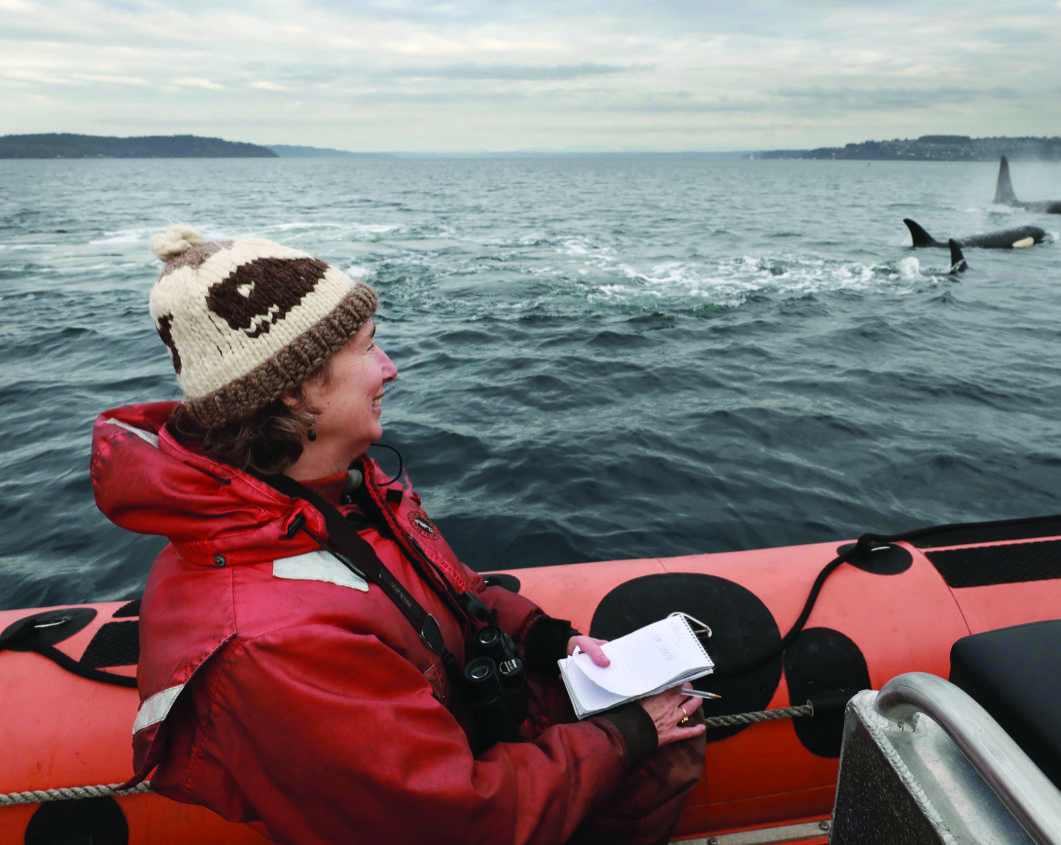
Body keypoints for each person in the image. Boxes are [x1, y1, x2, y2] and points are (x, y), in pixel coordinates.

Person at [91, 225, 706, 845]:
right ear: (294, 391)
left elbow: (448, 591)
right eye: (366, 348)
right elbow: (459, 820)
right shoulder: (275, 642)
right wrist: (625, 737)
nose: (390, 368)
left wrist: (543, 636)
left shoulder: (341, 491)